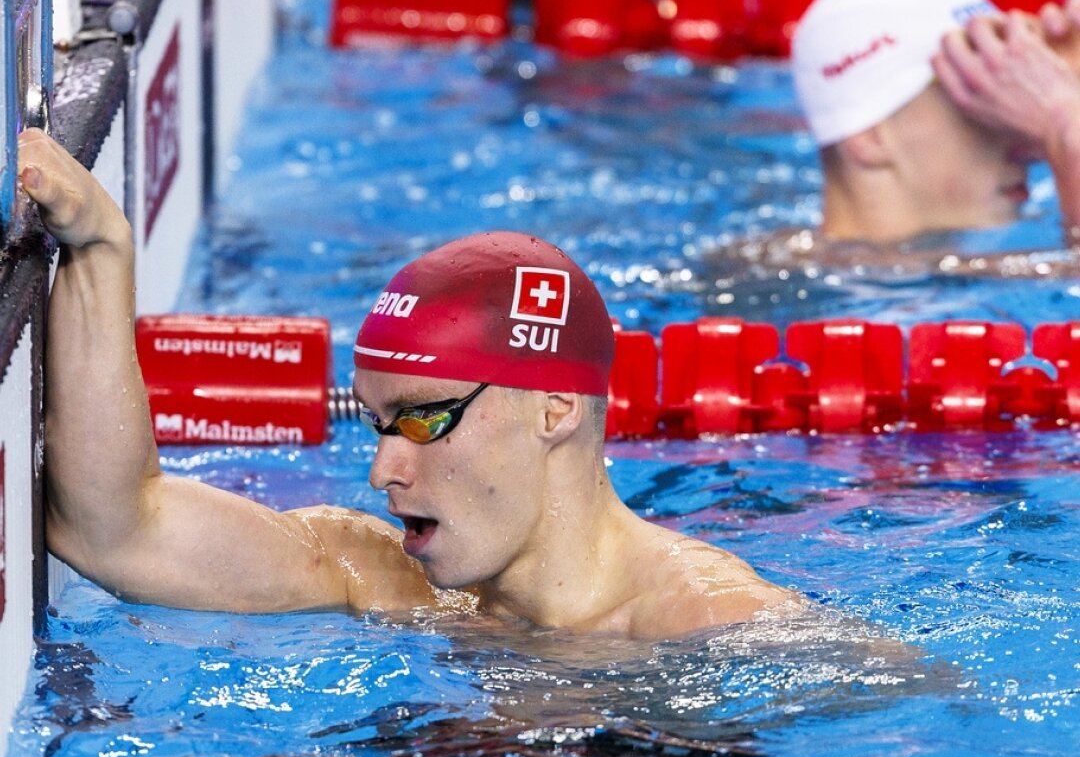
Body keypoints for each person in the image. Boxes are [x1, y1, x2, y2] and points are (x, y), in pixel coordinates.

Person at [19, 127, 799, 641]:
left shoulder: (719, 626)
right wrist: (99, 245)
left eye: (424, 419)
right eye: (379, 423)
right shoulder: (385, 574)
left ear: (556, 408)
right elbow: (113, 529)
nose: (382, 471)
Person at [788, 0, 1080, 255]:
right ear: (869, 135)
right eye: (977, 92)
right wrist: (1064, 120)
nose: (1020, 132)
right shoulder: (774, 292)